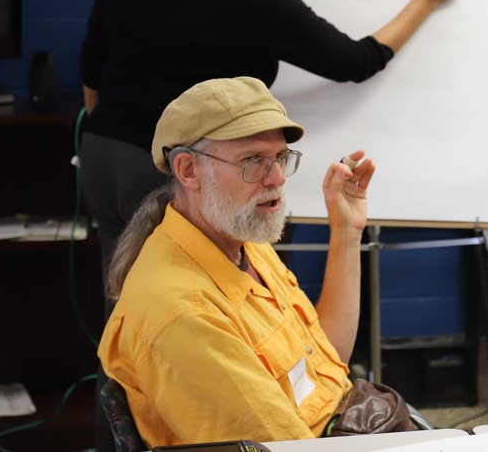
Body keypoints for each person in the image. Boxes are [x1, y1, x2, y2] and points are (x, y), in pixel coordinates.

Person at [80, 0, 467, 275]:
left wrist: (120, 140)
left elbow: (91, 70)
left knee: (126, 304)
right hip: (170, 173)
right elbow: (355, 61)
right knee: (204, 304)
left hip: (103, 158)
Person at [99, 76, 370, 446]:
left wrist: (346, 231)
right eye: (253, 160)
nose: (276, 178)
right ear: (188, 170)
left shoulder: (239, 238)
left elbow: (328, 362)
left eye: (279, 157)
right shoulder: (184, 313)